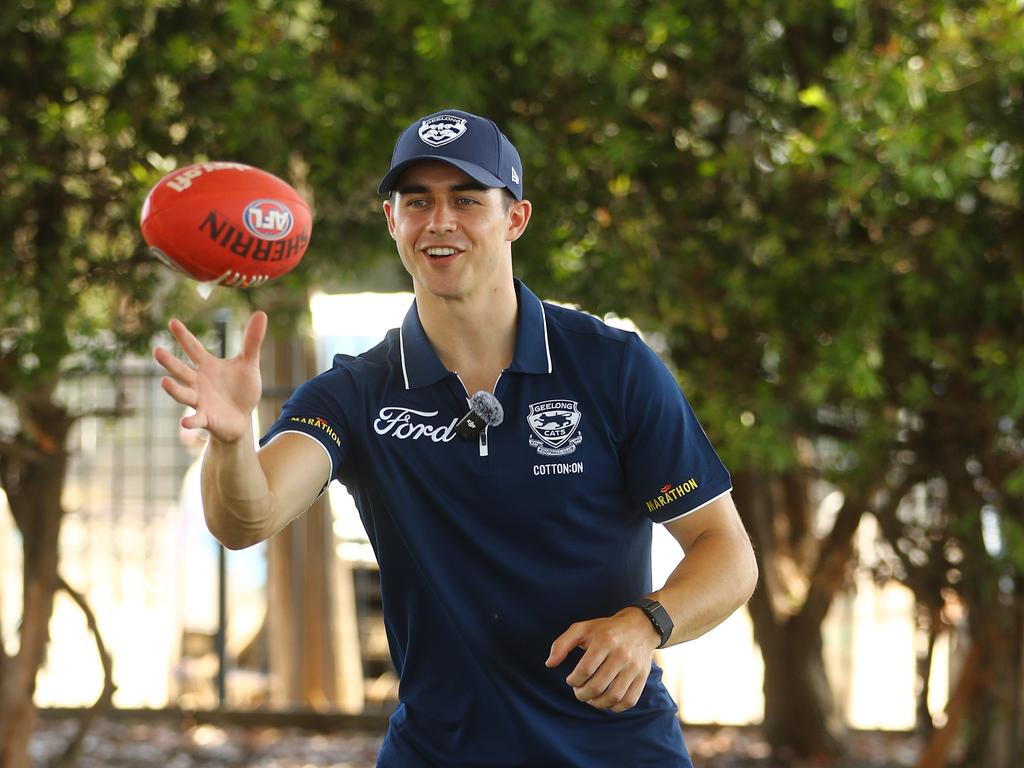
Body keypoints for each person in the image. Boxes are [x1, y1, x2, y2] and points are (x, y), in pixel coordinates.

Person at [154, 108, 758, 767]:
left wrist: (647, 625)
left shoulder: (612, 367)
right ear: (393, 222)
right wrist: (233, 439)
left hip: (615, 750)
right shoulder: (358, 392)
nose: (439, 221)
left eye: (466, 199)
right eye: (418, 201)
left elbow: (727, 553)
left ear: (515, 218)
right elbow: (249, 517)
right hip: (439, 751)